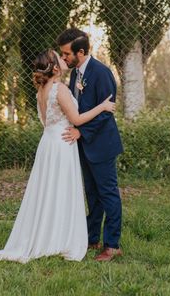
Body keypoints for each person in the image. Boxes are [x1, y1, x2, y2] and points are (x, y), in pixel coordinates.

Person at [0, 49, 115, 263]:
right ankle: (59, 238)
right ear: (55, 68)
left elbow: (48, 122)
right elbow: (77, 118)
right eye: (60, 57)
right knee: (61, 189)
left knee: (47, 190)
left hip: (48, 142)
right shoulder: (60, 89)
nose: (64, 59)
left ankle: (46, 233)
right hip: (62, 144)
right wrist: (102, 106)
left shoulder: (41, 91)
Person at [58, 28, 124, 262]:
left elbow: (106, 112)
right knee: (92, 194)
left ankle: (113, 245)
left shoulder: (102, 73)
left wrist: (80, 131)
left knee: (108, 195)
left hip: (102, 145)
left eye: (66, 54)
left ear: (81, 52)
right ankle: (92, 237)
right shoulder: (76, 74)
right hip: (84, 145)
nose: (64, 58)